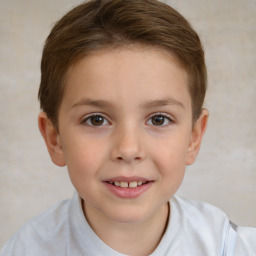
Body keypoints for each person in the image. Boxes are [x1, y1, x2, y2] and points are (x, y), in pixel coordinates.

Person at [1, 0, 255, 255]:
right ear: (54, 138)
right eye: (96, 120)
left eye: (158, 119)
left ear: (193, 137)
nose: (129, 149)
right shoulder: (25, 250)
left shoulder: (230, 247)